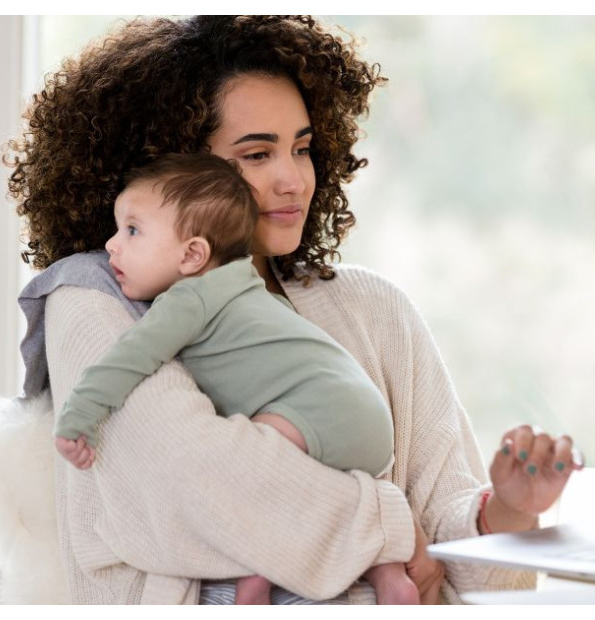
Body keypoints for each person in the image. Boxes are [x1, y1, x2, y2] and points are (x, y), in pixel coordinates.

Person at [8, 15, 583, 604]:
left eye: (301, 148)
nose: (293, 180)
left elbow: (456, 574)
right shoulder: (93, 297)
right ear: (176, 175)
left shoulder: (375, 308)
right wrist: (390, 522)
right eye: (256, 155)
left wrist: (508, 514)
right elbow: (205, 490)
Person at [53, 152, 418, 604]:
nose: (111, 245)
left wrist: (78, 417)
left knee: (251, 476)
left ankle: (255, 577)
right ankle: (390, 573)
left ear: (192, 255)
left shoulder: (188, 300)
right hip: (366, 418)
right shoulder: (249, 287)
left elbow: (128, 359)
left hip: (316, 410)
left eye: (132, 230)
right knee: (314, 481)